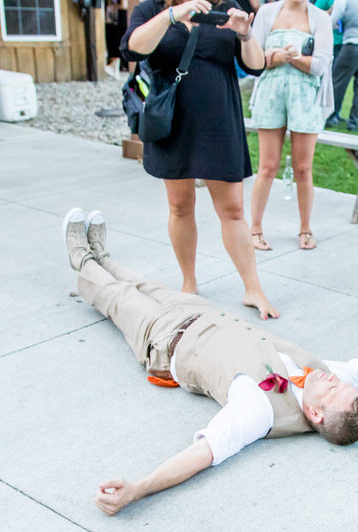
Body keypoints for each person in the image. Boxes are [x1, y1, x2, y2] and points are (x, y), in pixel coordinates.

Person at [59, 209, 358, 516]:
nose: (334, 378)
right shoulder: (324, 379)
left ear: (317, 415)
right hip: (202, 314)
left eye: (333, 388)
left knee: (116, 296)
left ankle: (80, 256)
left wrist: (138, 489)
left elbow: (203, 453)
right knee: (140, 283)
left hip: (165, 340)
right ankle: (102, 256)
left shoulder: (262, 411)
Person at [120, 0, 279, 319]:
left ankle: (253, 289)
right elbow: (133, 49)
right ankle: (189, 283)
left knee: (233, 209)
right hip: (173, 119)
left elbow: (256, 65)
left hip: (219, 120)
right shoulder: (152, 7)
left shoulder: (228, 5)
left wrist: (245, 35)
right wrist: (173, 15)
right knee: (180, 205)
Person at [247, 0, 333, 251]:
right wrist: (277, 57)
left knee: (303, 168)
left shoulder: (320, 18)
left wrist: (288, 58)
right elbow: (254, 59)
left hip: (305, 98)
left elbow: (319, 65)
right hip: (270, 95)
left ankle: (305, 229)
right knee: (267, 166)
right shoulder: (266, 13)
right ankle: (255, 229)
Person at [323, 0, 358, 131]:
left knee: (338, 82)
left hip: (352, 45)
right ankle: (355, 122)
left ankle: (330, 117)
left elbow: (332, 20)